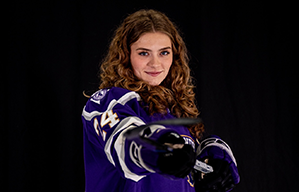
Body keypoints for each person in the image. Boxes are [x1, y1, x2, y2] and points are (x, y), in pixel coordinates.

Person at [81, 9, 240, 192]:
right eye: (144, 53)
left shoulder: (176, 111)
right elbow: (126, 140)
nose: (155, 64)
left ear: (175, 55)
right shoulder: (106, 102)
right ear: (126, 55)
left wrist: (212, 158)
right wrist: (156, 149)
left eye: (164, 53)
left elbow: (189, 167)